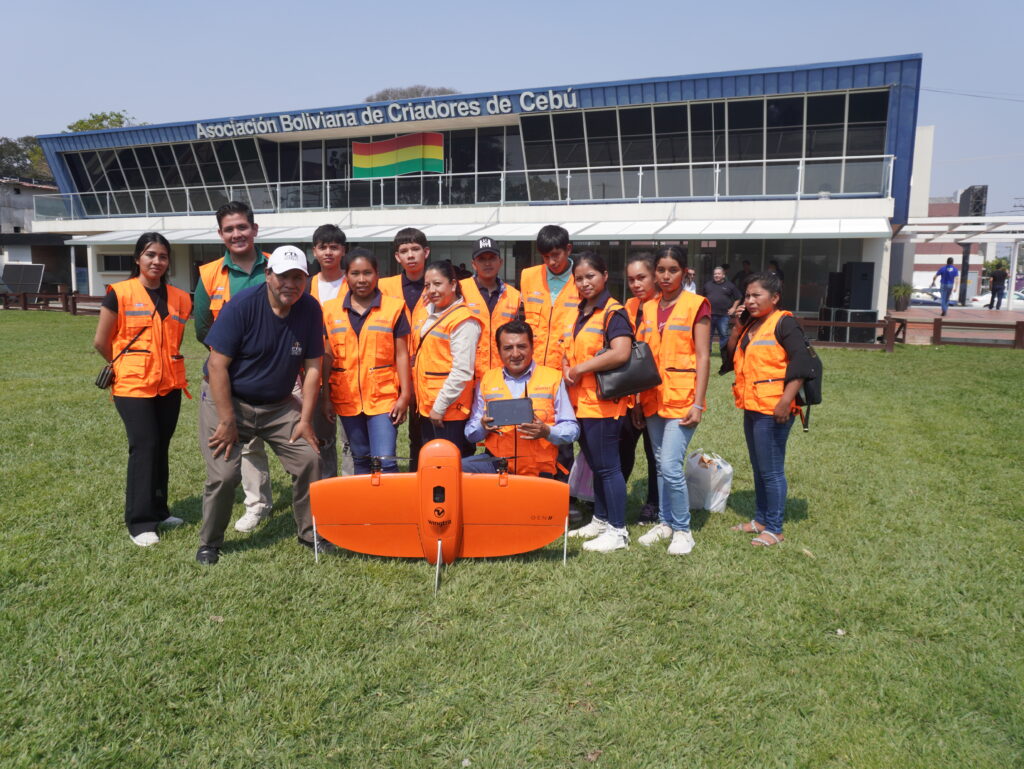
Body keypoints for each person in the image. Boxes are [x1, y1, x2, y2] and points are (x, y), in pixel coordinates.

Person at [196, 245, 326, 565]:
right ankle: (210, 543)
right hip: (230, 401)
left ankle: (309, 532)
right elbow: (217, 366)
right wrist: (227, 420)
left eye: (298, 277)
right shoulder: (241, 306)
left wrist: (305, 420)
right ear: (268, 275)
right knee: (224, 475)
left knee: (309, 458)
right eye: (283, 276)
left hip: (279, 405)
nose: (290, 284)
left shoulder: (310, 309)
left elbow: (313, 368)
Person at [93, 232, 192, 547]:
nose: (157, 261)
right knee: (145, 446)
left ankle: (160, 510)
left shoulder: (181, 298)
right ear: (137, 258)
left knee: (160, 447)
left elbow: (174, 341)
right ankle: (140, 522)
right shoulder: (120, 293)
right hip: (133, 386)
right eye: (150, 254)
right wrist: (126, 366)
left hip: (169, 384)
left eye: (163, 256)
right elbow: (101, 341)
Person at [194, 201, 274, 534]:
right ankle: (257, 504)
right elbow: (202, 327)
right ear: (220, 234)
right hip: (232, 375)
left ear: (254, 229)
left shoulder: (276, 264)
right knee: (246, 443)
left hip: (277, 372)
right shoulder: (209, 274)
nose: (237, 234)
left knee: (299, 442)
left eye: (242, 227)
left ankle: (315, 501)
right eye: (229, 229)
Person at [723, 272, 816, 547]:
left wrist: (786, 401)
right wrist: (737, 327)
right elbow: (729, 356)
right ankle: (761, 520)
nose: (750, 301)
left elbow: (802, 363)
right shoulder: (751, 324)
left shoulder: (784, 323)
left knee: (772, 470)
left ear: (774, 298)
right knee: (759, 467)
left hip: (774, 409)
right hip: (752, 405)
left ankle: (775, 528)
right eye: (747, 296)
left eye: (756, 295)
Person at [635, 245, 711, 555]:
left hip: (682, 398)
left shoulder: (697, 305)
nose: (666, 276)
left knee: (670, 464)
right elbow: (643, 356)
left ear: (684, 272)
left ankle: (682, 530)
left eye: (673, 270)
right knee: (659, 463)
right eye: (661, 270)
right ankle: (665, 522)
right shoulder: (649, 307)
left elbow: (703, 356)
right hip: (653, 397)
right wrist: (637, 400)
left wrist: (699, 403)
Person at [562, 252, 634, 552]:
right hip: (581, 402)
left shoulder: (613, 312)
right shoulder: (580, 311)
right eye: (579, 278)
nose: (584, 283)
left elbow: (621, 352)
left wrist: (580, 369)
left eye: (590, 276)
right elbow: (569, 349)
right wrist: (567, 366)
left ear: (604, 275)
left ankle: (618, 531)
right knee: (595, 464)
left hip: (603, 403)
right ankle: (601, 519)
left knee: (608, 467)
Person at [321, 248, 412, 475]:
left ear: (377, 274)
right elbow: (327, 357)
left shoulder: (394, 308)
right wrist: (326, 398)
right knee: (360, 459)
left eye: (367, 273)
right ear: (346, 276)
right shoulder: (330, 310)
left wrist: (405, 396)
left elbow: (402, 355)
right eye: (355, 273)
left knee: (386, 460)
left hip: (384, 397)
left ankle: (389, 499)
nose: (362, 279)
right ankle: (365, 500)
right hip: (347, 397)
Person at [463, 320, 579, 475]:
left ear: (532, 347)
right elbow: (470, 434)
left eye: (522, 346)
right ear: (499, 350)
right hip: (498, 466)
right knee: (452, 468)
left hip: (539, 469)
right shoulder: (487, 380)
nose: (515, 354)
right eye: (508, 348)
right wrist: (482, 426)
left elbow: (572, 430)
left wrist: (547, 431)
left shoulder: (554, 378)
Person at [521, 225, 581, 482]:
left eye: (556, 255)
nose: (551, 262)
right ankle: (532, 484)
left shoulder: (582, 277)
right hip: (532, 372)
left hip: (566, 373)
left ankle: (564, 491)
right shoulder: (528, 276)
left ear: (568, 249)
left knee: (563, 434)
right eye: (545, 257)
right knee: (530, 429)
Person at [412, 260, 481, 456]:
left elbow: (462, 371)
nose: (431, 290)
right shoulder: (427, 312)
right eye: (427, 285)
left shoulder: (464, 320)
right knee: (432, 463)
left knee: (448, 464)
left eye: (437, 284)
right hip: (428, 407)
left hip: (448, 412)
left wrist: (439, 407)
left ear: (453, 284)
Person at [306, 224, 353, 479]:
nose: (328, 252)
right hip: (314, 372)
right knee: (321, 438)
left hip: (349, 373)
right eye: (322, 247)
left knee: (351, 439)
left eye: (334, 247)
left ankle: (352, 488)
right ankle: (326, 486)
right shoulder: (306, 285)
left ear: (343, 251)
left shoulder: (355, 281)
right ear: (314, 251)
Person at [380, 227, 429, 470]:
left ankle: (418, 476)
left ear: (426, 252)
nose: (410, 255)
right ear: (397, 257)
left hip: (427, 372)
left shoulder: (437, 284)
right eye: (404, 250)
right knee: (386, 431)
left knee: (421, 435)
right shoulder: (383, 286)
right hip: (392, 371)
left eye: (415, 249)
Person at [620, 252, 660, 524]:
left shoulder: (665, 306)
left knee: (655, 454)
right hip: (630, 392)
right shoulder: (629, 306)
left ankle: (654, 504)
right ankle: (611, 499)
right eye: (631, 279)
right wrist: (634, 399)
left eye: (641, 278)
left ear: (654, 276)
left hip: (657, 392)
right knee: (622, 449)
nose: (636, 284)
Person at [460, 236, 523, 380]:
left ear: (500, 262)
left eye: (492, 258)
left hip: (503, 375)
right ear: (473, 264)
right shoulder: (459, 290)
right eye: (482, 259)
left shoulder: (514, 295)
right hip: (468, 375)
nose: (487, 263)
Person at [701, 266, 742, 355]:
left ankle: (721, 351)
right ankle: (708, 352)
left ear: (723, 275)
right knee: (708, 335)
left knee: (724, 336)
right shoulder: (708, 285)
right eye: (715, 274)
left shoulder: (730, 285)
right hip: (709, 314)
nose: (716, 275)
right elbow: (702, 298)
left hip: (723, 315)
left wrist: (733, 308)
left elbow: (738, 297)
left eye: (719, 274)